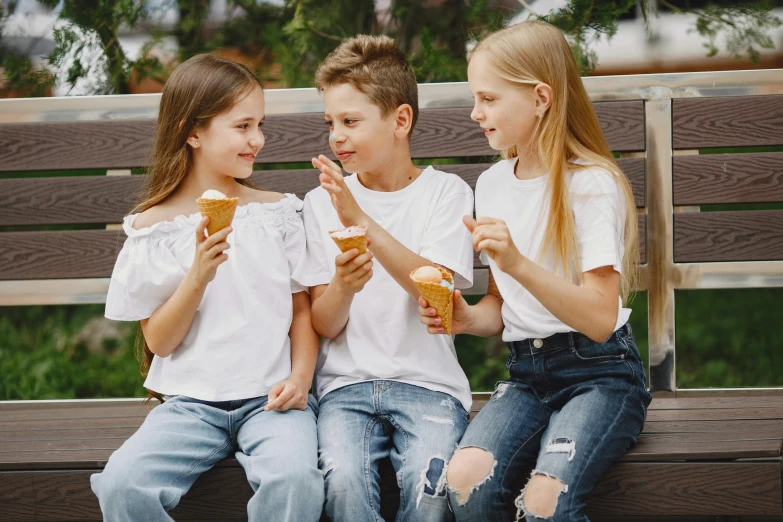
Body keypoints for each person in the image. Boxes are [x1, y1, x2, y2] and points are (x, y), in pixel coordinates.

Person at [418, 21, 652, 522]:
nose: (476, 113)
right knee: (464, 481)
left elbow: (599, 316)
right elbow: (503, 311)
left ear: (541, 97)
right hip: (528, 374)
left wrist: (518, 263)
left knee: (545, 503)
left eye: (488, 98)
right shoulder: (493, 182)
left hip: (601, 374)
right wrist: (465, 319)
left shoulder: (591, 184)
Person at [90, 53, 323, 522]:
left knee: (295, 479)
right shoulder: (155, 229)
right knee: (122, 484)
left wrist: (300, 380)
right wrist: (197, 274)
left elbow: (302, 312)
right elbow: (159, 340)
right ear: (192, 132)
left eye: (259, 125)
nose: (257, 139)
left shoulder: (277, 213)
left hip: (271, 402)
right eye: (242, 126)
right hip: (189, 406)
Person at [293, 35, 475, 522]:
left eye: (351, 121)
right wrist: (344, 288)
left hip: (429, 385)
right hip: (345, 389)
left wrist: (361, 221)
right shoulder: (319, 204)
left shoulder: (446, 194)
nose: (336, 136)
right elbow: (325, 325)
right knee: (344, 480)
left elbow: (433, 291)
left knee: (430, 483)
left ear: (400, 120)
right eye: (331, 122)